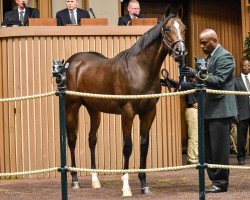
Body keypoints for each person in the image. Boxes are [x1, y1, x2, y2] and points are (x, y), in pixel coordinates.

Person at [180, 29, 237, 193]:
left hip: (220, 111)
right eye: (200, 43)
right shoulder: (208, 58)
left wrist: (195, 74)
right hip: (208, 109)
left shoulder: (225, 56)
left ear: (214, 40)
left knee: (219, 150)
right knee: (208, 150)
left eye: (204, 43)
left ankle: (221, 183)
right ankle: (215, 180)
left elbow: (218, 81)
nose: (201, 46)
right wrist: (181, 84)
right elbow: (204, 83)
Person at [234, 59, 250, 165]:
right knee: (241, 137)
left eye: (248, 65)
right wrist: (235, 113)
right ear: (241, 67)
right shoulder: (236, 80)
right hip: (242, 112)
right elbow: (233, 98)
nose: (246, 67)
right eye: (244, 65)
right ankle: (241, 157)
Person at [185, 78, 199, 165]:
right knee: (194, 135)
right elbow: (195, 104)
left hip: (196, 111)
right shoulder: (190, 87)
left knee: (197, 136)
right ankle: (192, 158)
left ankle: (196, 157)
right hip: (192, 111)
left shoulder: (197, 87)